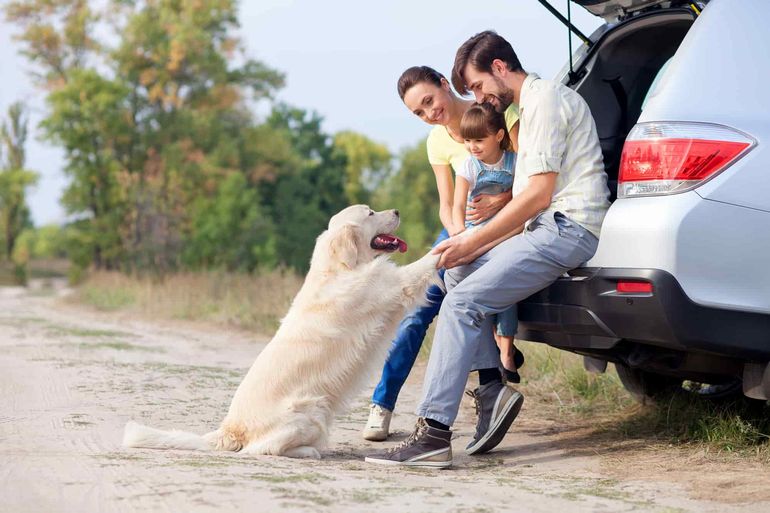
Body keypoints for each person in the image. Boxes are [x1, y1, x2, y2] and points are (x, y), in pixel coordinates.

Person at [366, 30, 610, 468]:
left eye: (477, 85)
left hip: (567, 229)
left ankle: (434, 433)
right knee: (456, 273)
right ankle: (493, 388)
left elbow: (535, 196)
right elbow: (524, 201)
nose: (478, 97)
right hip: (543, 227)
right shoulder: (534, 105)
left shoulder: (546, 102)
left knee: (459, 302)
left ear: (499, 69)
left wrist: (473, 240)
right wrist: (466, 244)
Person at [362, 66, 521, 441]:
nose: (429, 113)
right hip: (460, 228)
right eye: (419, 112)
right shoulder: (437, 141)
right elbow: (446, 203)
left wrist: (500, 203)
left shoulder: (494, 113)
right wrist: (459, 236)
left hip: (509, 221)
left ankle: (491, 390)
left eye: (429, 101)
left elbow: (533, 177)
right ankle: (382, 405)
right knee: (419, 306)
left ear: (445, 85)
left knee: (473, 290)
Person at [453, 102, 521, 383]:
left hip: (507, 233)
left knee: (505, 283)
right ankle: (489, 347)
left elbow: (525, 195)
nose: (473, 146)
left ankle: (506, 351)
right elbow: (458, 205)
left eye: (479, 140)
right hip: (476, 233)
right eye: (468, 140)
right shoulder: (469, 165)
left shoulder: (515, 162)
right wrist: (459, 234)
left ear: (499, 136)